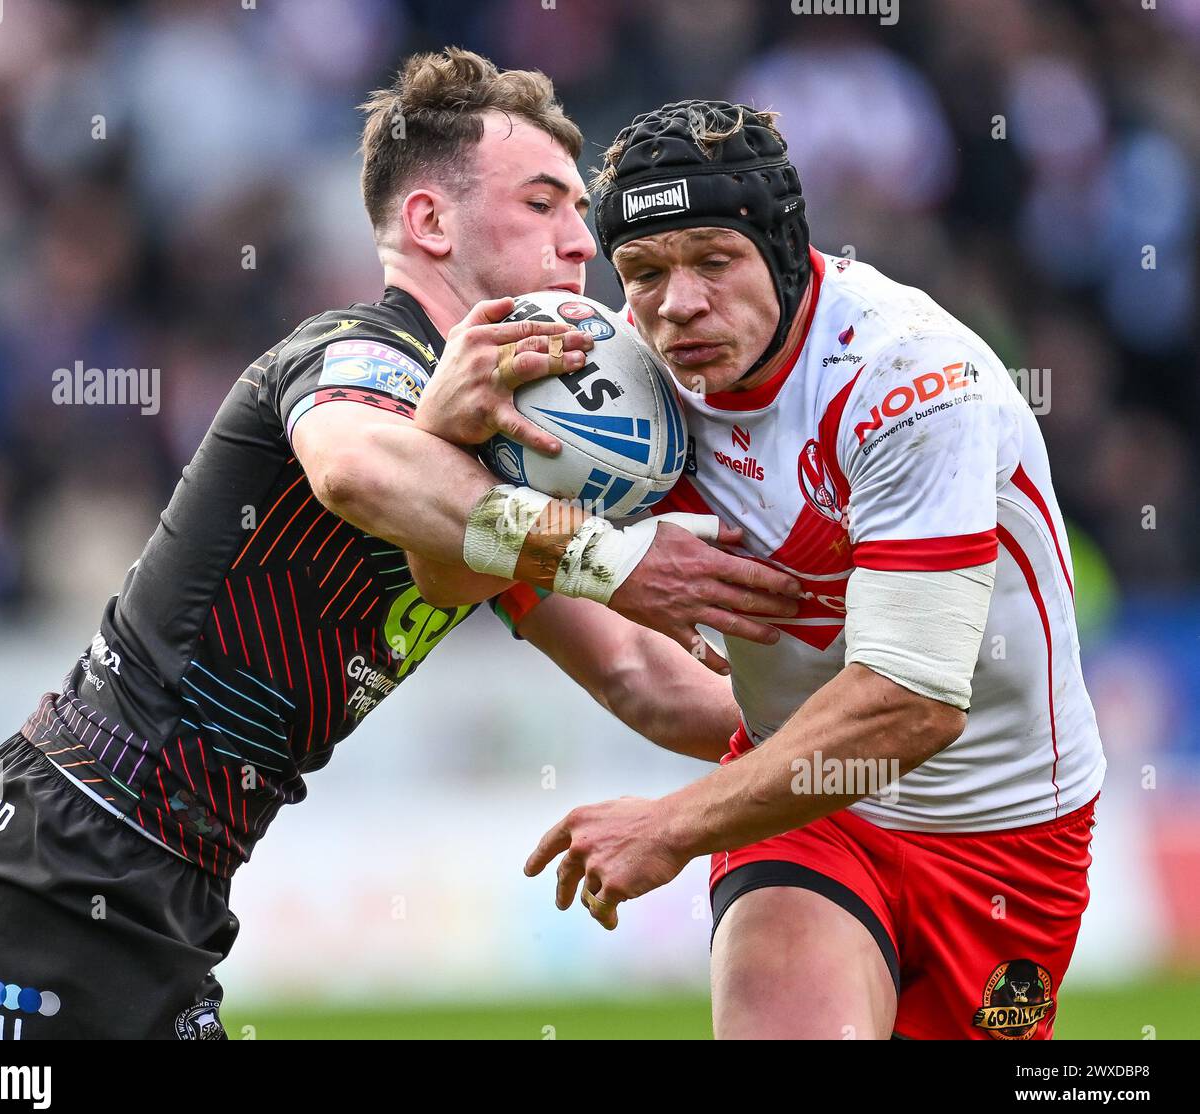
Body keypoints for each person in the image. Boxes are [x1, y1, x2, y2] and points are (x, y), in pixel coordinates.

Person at [0, 61, 801, 1041]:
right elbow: (355, 468)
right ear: (430, 223)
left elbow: (645, 676)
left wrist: (850, 741)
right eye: (543, 202)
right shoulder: (353, 352)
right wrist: (611, 557)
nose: (578, 239)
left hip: (149, 870)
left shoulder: (499, 468)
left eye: (579, 210)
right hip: (74, 859)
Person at [417, 100, 1105, 1041]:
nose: (679, 304)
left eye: (712, 259)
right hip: (806, 806)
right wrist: (445, 437)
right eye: (646, 273)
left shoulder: (909, 378)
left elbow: (915, 702)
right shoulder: (617, 379)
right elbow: (447, 578)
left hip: (1007, 832)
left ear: (784, 248)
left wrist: (669, 823)